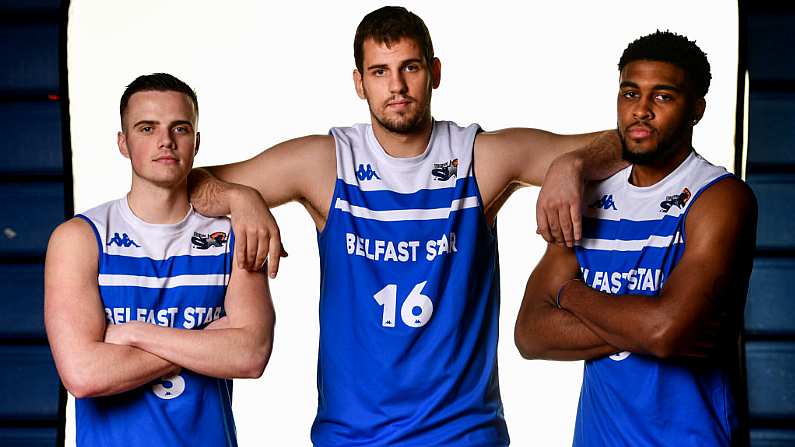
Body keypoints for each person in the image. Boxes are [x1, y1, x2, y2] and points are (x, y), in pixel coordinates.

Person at [189, 6, 624, 446]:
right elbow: (184, 183)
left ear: (434, 72)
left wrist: (575, 162)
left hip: (463, 435)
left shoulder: (479, 157)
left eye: (409, 68)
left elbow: (628, 142)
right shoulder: (327, 162)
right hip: (353, 436)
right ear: (360, 83)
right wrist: (239, 197)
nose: (396, 86)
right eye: (380, 71)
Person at [514, 31, 756, 445]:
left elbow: (666, 331)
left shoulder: (718, 197)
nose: (640, 110)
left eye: (662, 97)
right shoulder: (592, 199)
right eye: (630, 93)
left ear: (696, 109)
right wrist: (649, 324)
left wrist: (570, 295)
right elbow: (530, 333)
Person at [44, 73, 275, 446]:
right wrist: (205, 343)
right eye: (147, 128)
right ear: (123, 142)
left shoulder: (232, 237)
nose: (165, 141)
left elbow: (250, 355)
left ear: (196, 142)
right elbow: (83, 375)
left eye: (179, 128)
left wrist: (134, 334)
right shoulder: (80, 239)